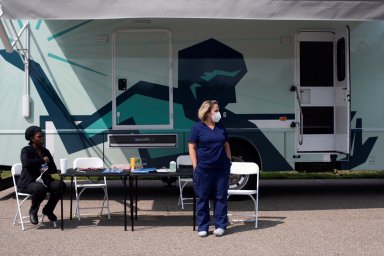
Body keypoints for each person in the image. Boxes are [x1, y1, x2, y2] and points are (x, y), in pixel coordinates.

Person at [188, 100, 232, 237]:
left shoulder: (221, 127)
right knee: (202, 197)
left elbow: (226, 145)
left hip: (221, 168)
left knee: (220, 197)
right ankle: (203, 227)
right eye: (216, 111)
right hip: (204, 169)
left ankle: (220, 225)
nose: (218, 113)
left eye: (218, 110)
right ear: (207, 113)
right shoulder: (197, 128)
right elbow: (191, 147)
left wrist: (229, 161)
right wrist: (195, 165)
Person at [17, 126, 67, 225]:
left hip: (44, 180)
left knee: (60, 185)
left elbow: (53, 168)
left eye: (42, 136)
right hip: (29, 182)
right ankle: (33, 211)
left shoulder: (45, 151)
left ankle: (48, 210)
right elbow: (26, 163)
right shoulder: (26, 150)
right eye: (39, 137)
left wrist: (47, 169)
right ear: (32, 138)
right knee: (40, 188)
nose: (42, 139)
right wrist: (42, 160)